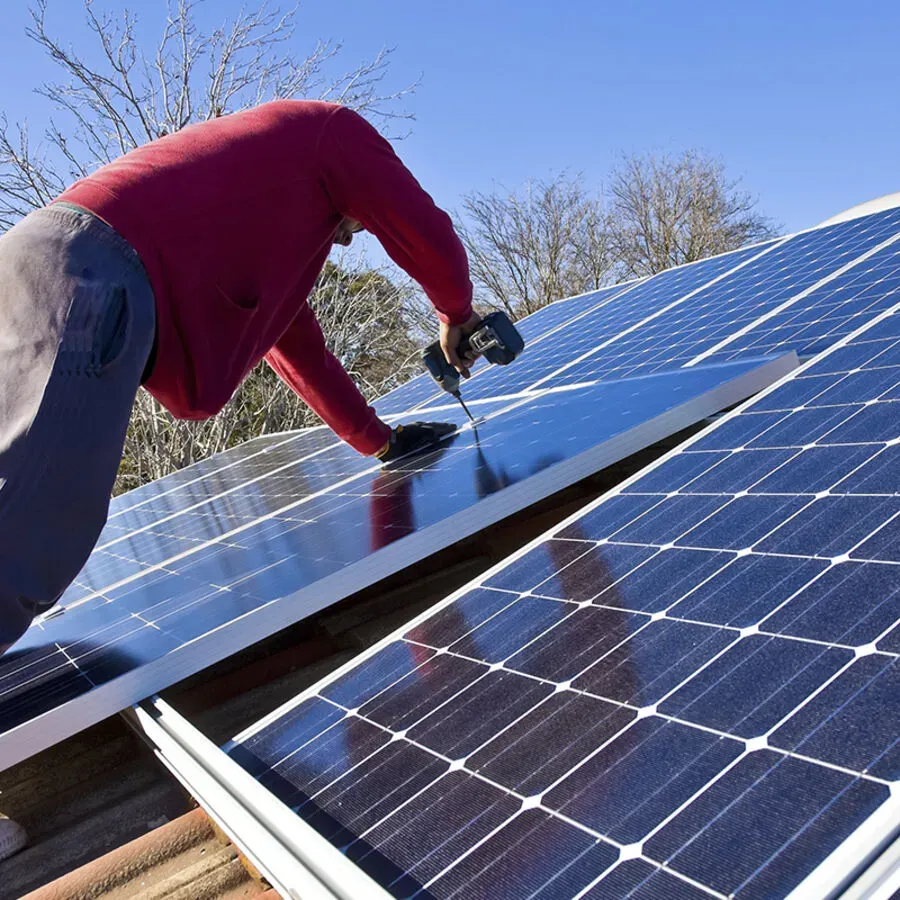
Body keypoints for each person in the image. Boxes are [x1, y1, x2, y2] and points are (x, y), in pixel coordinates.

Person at [0, 98, 480, 861]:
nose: (355, 240)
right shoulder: (332, 133)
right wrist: (457, 310)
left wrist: (377, 440)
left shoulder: (279, 219)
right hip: (83, 277)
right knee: (29, 532)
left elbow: (294, 344)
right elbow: (416, 222)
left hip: (59, 264)